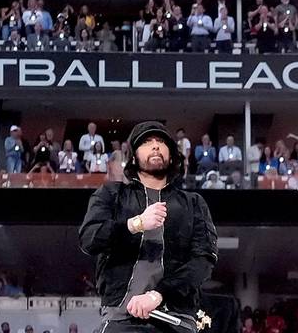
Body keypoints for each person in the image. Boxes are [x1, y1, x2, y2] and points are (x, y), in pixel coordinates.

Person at [79, 121, 218, 333]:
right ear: (134, 156)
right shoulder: (111, 195)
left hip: (177, 319)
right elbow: (89, 239)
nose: (155, 146)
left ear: (171, 156)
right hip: (121, 318)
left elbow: (202, 261)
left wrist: (158, 294)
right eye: (146, 142)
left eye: (161, 142)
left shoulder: (193, 203)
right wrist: (136, 224)